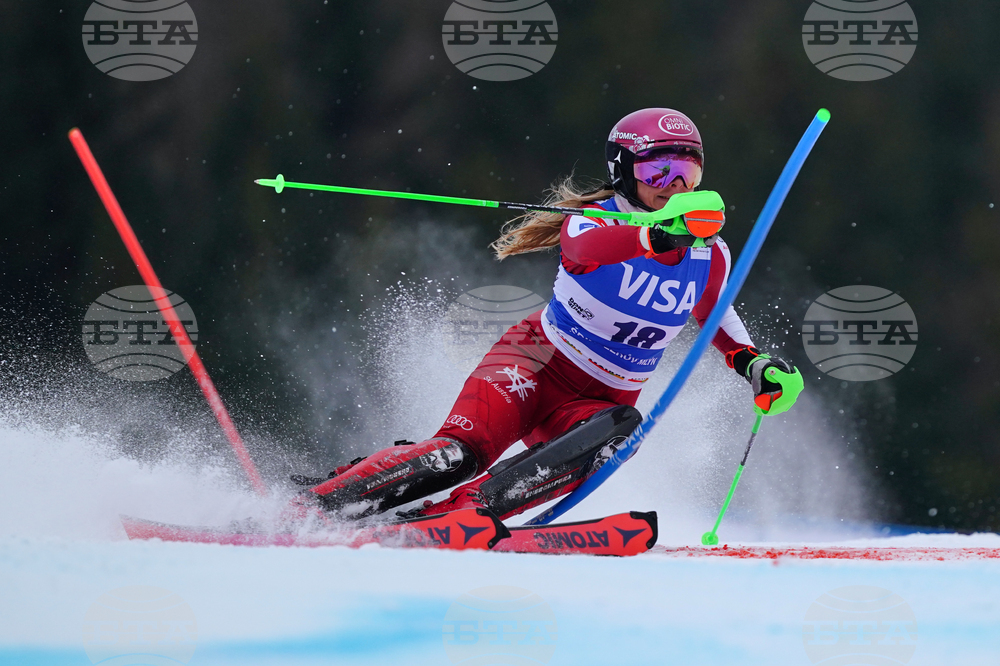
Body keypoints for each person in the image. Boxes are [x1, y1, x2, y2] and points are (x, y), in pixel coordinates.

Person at [291, 108, 803, 522]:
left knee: (620, 429)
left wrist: (753, 364)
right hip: (534, 362)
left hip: (601, 398)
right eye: (656, 171)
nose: (673, 185)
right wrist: (658, 233)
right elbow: (590, 250)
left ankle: (458, 517)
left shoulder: (710, 253)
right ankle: (313, 506)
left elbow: (714, 310)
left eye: (687, 171)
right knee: (458, 455)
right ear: (624, 172)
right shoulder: (591, 222)